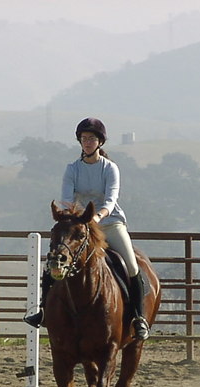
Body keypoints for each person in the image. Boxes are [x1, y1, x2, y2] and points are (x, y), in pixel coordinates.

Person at [24, 117, 151, 340]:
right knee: (54, 262)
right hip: (79, 226)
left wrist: (97, 216)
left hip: (109, 223)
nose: (87, 142)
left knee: (131, 265)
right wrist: (71, 218)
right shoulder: (72, 169)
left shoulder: (110, 168)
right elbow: (66, 199)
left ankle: (138, 317)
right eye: (84, 138)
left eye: (92, 138)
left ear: (100, 142)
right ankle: (43, 311)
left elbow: (110, 200)